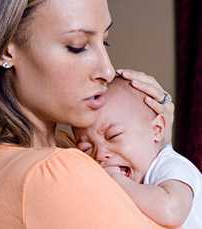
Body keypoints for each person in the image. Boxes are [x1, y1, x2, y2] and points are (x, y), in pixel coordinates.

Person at [0, 0, 175, 228]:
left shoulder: (54, 149)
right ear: (6, 51)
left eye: (105, 41)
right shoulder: (53, 172)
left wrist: (152, 142)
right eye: (77, 46)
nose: (107, 71)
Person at [74, 77, 202, 228]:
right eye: (86, 148)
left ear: (157, 130)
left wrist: (117, 180)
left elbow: (171, 212)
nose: (100, 154)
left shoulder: (172, 166)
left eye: (113, 135)